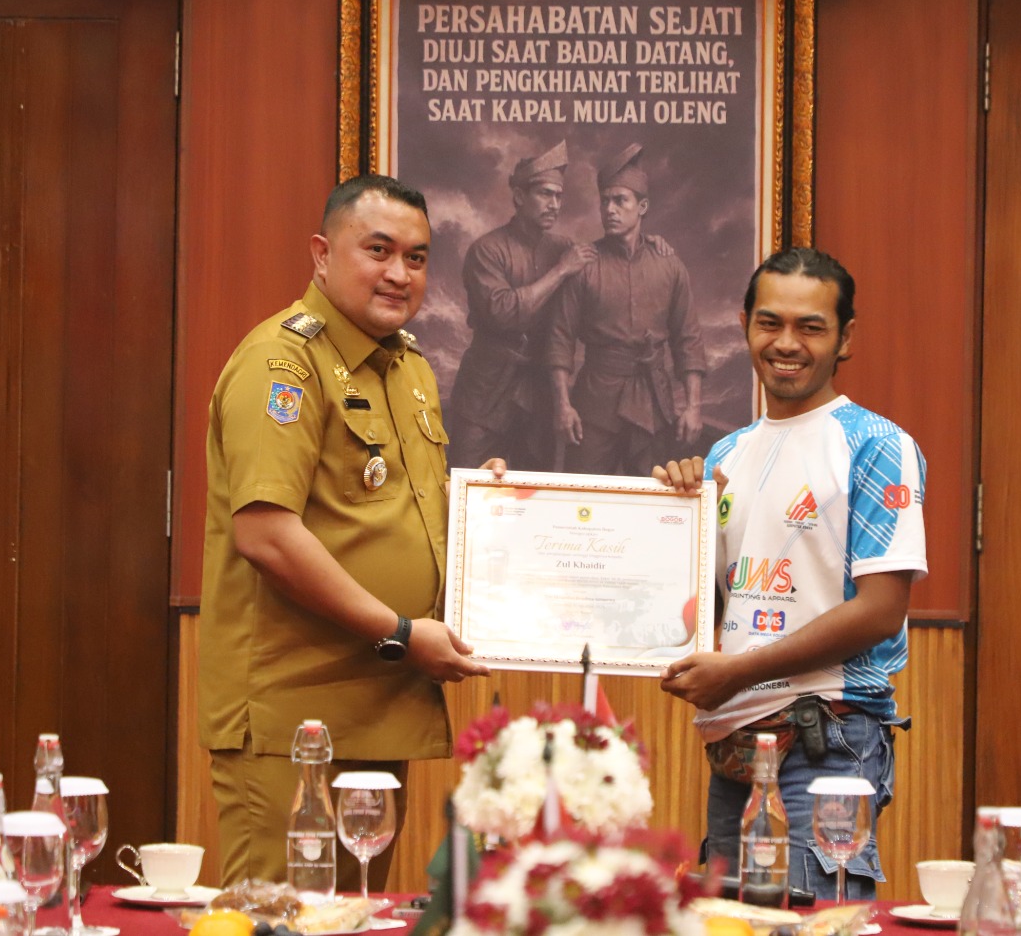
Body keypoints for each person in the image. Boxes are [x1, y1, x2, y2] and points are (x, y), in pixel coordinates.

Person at [197, 175, 493, 887]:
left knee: (352, 921)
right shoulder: (283, 363)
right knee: (282, 922)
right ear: (322, 254)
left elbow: (397, 513)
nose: (400, 274)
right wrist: (400, 631)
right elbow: (266, 535)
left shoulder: (408, 368)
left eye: (417, 258)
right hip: (294, 716)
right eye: (379, 250)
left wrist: (489, 507)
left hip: (382, 705)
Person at [654, 247, 928, 900]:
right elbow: (704, 608)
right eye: (770, 322)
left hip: (827, 736)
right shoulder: (725, 455)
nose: (786, 343)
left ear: (845, 338)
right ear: (744, 325)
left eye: (811, 327)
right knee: (731, 924)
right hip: (734, 742)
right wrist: (672, 516)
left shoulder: (876, 444)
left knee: (811, 923)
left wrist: (739, 672)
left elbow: (881, 610)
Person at [548, 144, 707, 476]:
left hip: (653, 403)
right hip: (594, 406)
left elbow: (688, 341)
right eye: (605, 201)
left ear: (642, 207)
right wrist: (562, 405)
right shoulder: (583, 265)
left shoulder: (669, 266)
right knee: (583, 497)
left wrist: (693, 406)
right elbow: (560, 340)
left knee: (655, 496)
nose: (610, 209)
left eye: (620, 200)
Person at [449, 141, 591, 471]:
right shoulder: (487, 250)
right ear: (518, 196)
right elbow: (503, 312)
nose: (554, 204)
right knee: (470, 487)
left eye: (559, 196)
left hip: (539, 394)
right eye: (545, 194)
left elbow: (602, 272)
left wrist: (646, 243)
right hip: (485, 392)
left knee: (534, 492)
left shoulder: (564, 247)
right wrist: (561, 271)